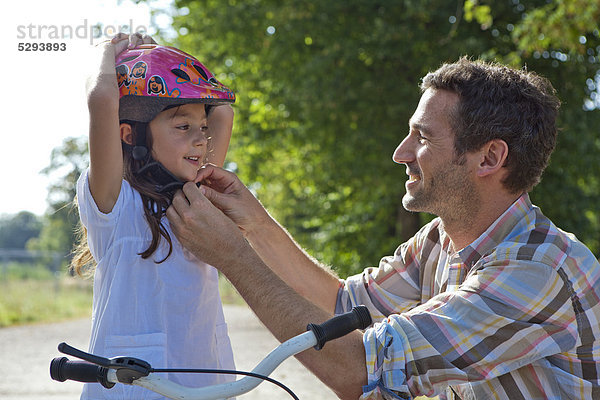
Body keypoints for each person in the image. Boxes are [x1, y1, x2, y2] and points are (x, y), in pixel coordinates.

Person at [166, 56, 600, 399]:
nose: (401, 152)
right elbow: (343, 304)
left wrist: (232, 257)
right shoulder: (441, 239)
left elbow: (357, 369)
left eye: (423, 138)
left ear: (489, 159)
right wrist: (252, 222)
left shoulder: (535, 270)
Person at [71, 32, 237, 399]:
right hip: (130, 391)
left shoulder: (195, 201)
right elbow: (102, 99)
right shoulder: (116, 206)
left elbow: (223, 109)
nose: (200, 140)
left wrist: (160, 58)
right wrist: (107, 51)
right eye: (183, 127)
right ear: (130, 134)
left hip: (202, 388)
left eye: (202, 129)